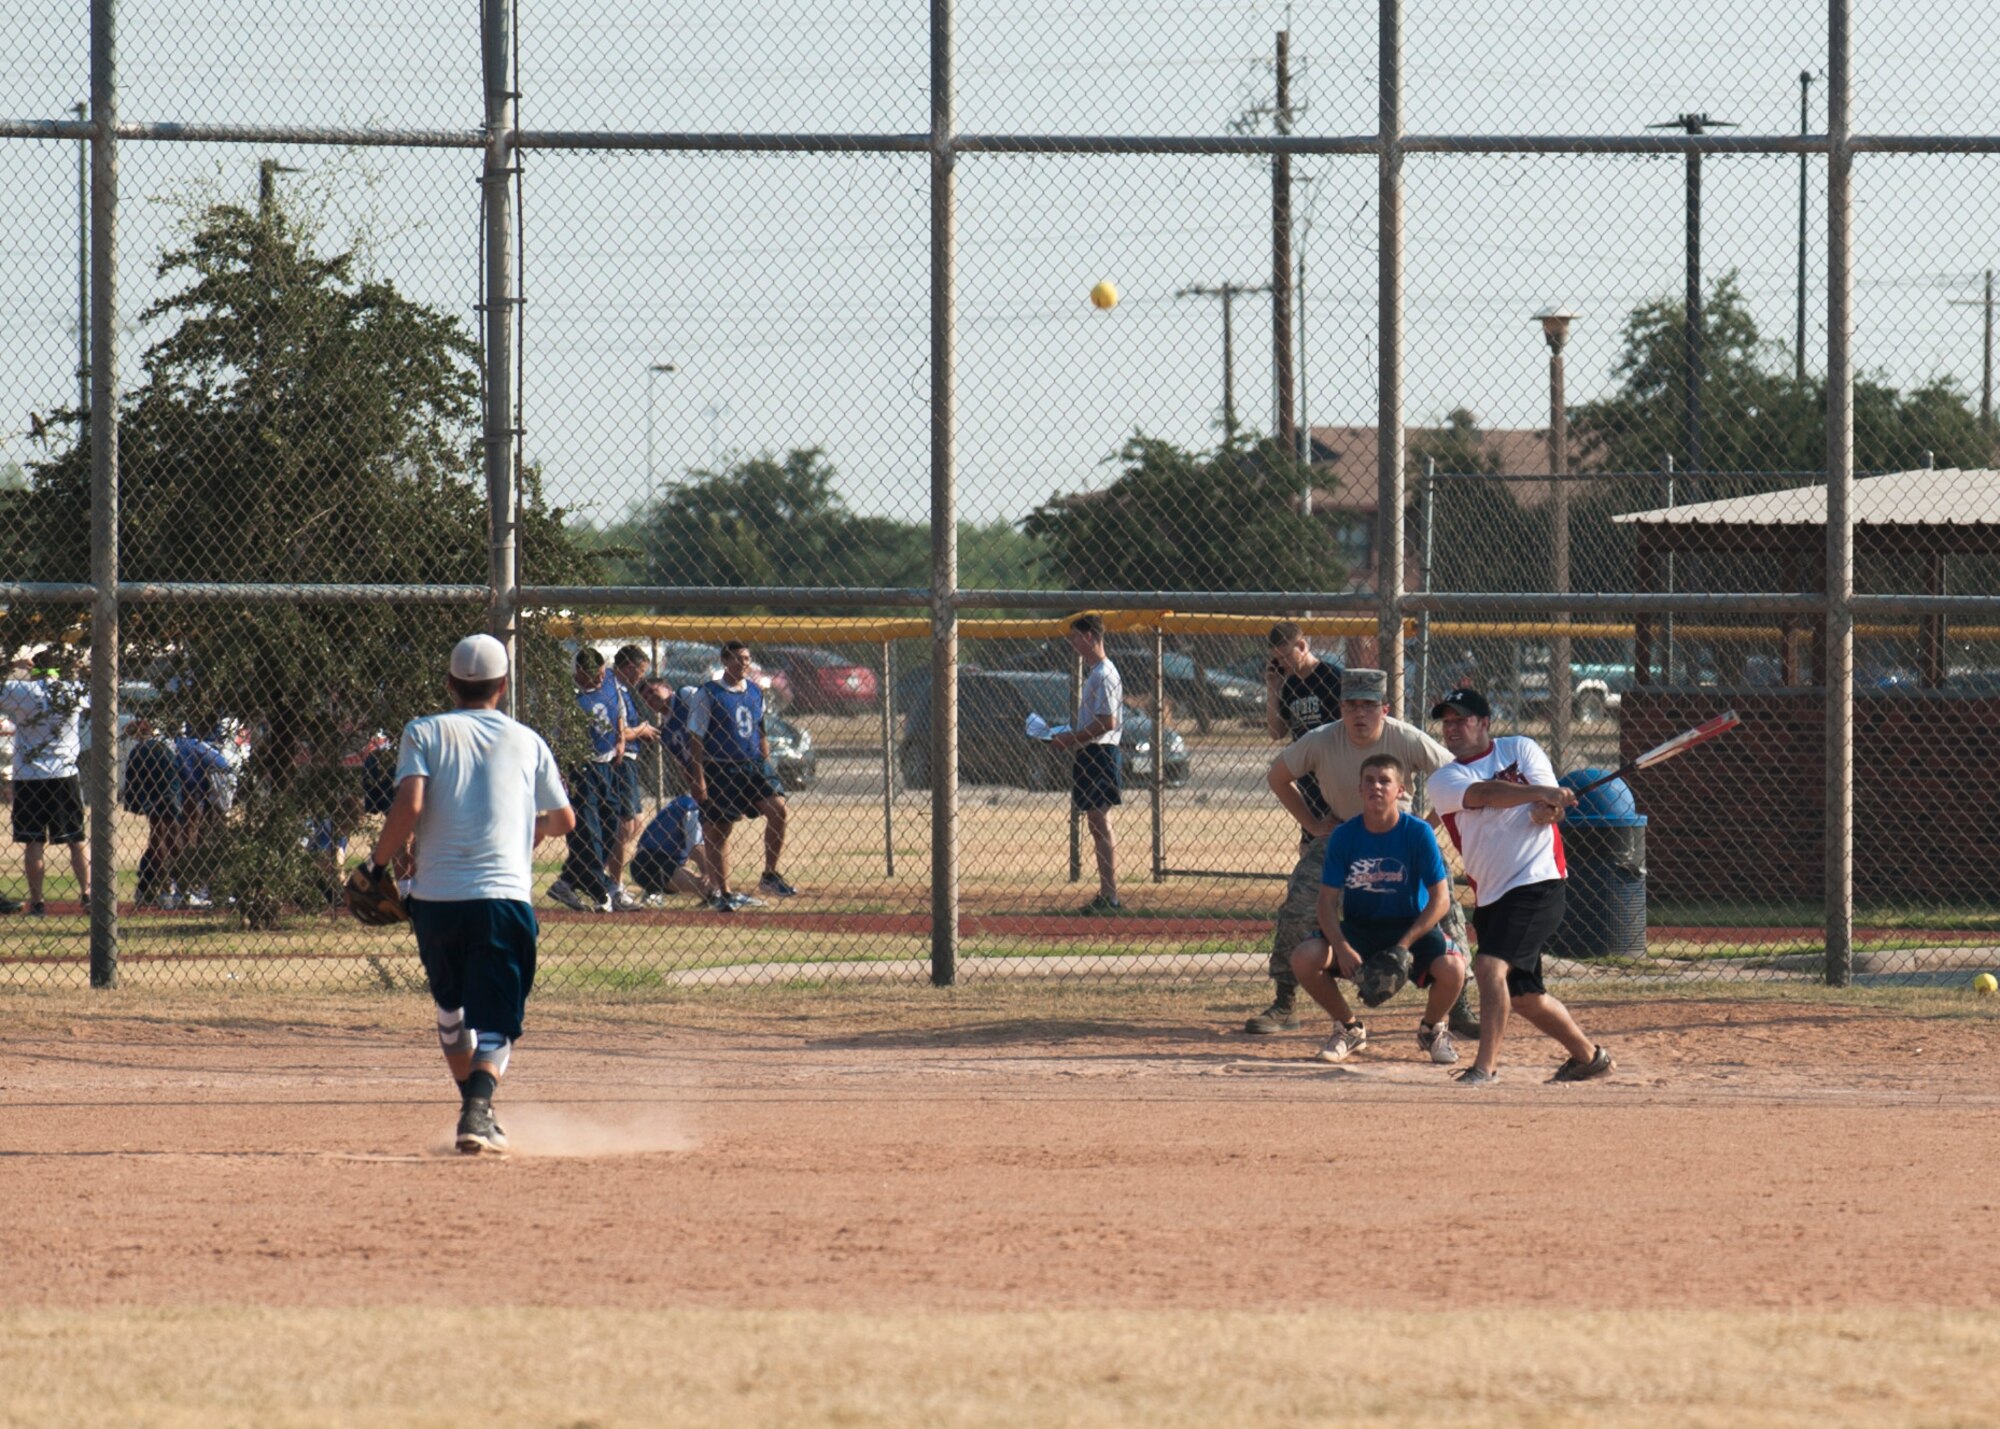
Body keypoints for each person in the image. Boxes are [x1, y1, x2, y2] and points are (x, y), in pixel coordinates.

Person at [365, 633, 575, 1154]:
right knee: (498, 1021)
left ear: (449, 685)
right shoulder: (527, 740)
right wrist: (535, 828)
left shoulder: (424, 731)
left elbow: (409, 805)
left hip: (436, 901)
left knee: (451, 1009)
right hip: (504, 900)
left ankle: (475, 1109)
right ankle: (478, 1110)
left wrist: (377, 865)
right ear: (502, 687)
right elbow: (565, 819)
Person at [1264, 667, 1480, 1038]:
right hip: (1344, 835)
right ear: (1341, 708)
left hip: (1402, 834)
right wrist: (1314, 824)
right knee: (1300, 903)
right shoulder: (1321, 739)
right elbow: (1277, 777)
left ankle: (1456, 1004)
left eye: (1368, 705)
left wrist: (1428, 824)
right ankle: (1285, 1001)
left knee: (1446, 909)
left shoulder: (1405, 737)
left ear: (1385, 708)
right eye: (1351, 705)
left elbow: (1458, 776)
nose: (1359, 714)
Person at [1426, 688, 1615, 1087]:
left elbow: (1547, 809)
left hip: (1538, 880)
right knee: (1526, 995)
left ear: (1484, 723)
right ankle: (1590, 1058)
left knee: (1489, 966)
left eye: (1461, 719)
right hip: (1492, 893)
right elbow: (1485, 794)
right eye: (1447, 722)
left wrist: (1550, 806)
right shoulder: (1446, 778)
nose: (1452, 728)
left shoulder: (1521, 748)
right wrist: (1538, 795)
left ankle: (1485, 1068)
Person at [1290, 753, 1468, 1065]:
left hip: (1410, 927)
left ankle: (1431, 1030)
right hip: (1361, 928)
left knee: (1455, 969)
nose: (1376, 787)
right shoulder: (1345, 836)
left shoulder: (1417, 832)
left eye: (1385, 780)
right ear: (1359, 789)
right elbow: (1326, 903)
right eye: (1369, 780)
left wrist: (1403, 946)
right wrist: (1342, 948)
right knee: (1305, 958)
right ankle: (1349, 1028)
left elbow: (1440, 899)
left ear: (1400, 790)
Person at [1244, 621, 1344, 1031]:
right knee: (1305, 901)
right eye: (1277, 658)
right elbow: (1275, 731)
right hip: (1313, 806)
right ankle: (1286, 1002)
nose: (1282, 662)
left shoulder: (1332, 679)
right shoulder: (1288, 685)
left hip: (1343, 801)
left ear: (1303, 644)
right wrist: (1273, 686)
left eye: (1287, 655)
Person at [687, 640, 795, 909]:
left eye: (747, 659)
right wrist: (698, 777)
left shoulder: (756, 692)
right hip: (720, 767)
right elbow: (696, 739)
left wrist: (766, 761)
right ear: (725, 661)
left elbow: (761, 730)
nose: (743, 664)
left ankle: (769, 874)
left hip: (753, 764)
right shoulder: (708, 693)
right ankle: (723, 893)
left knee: (778, 808)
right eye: (737, 659)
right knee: (719, 829)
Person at [0, 649, 91, 915]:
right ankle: (87, 894)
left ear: (34, 668)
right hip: (64, 773)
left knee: (33, 840)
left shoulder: (22, 691)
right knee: (77, 838)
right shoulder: (73, 690)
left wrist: (11, 666)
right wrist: (78, 668)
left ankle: (38, 901)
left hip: (30, 775)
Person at [1048, 614, 1124, 913]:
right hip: (1090, 752)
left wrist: (1073, 737)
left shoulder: (1103, 674)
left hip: (1100, 754)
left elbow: (1107, 721)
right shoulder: (1095, 673)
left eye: (1076, 637)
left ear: (1090, 636)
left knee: (1100, 822)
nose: (1073, 643)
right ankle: (1107, 893)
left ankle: (1111, 895)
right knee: (1095, 822)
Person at [548, 646, 625, 914]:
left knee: (611, 824)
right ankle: (601, 889)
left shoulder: (611, 682)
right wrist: (561, 769)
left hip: (607, 765)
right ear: (579, 672)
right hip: (581, 768)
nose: (601, 679)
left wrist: (621, 738)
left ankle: (568, 882)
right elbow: (556, 734)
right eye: (595, 674)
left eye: (603, 673)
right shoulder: (568, 696)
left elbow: (619, 710)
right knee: (588, 832)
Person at [604, 644, 662, 910]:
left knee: (633, 823)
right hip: (620, 759)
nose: (640, 678)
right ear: (628, 668)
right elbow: (621, 733)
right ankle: (613, 886)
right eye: (639, 672)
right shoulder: (612, 688)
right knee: (626, 825)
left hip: (630, 760)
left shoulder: (623, 689)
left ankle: (599, 875)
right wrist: (642, 729)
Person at [628, 793, 713, 905]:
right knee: (706, 884)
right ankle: (719, 896)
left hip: (649, 860)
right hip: (652, 862)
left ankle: (654, 892)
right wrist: (709, 874)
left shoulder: (684, 801)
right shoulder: (693, 807)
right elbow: (696, 849)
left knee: (705, 882)